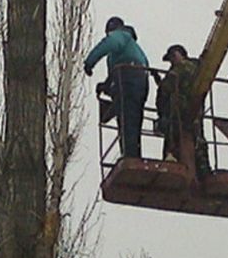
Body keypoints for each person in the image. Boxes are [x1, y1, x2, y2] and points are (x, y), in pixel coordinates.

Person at [84, 16, 149, 157]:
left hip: (129, 78)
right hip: (139, 81)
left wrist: (90, 62)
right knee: (132, 118)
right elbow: (114, 76)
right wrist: (106, 86)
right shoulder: (132, 48)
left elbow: (108, 44)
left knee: (127, 118)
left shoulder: (121, 36)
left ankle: (130, 155)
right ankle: (133, 153)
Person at [155, 44, 211, 177]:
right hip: (192, 112)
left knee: (173, 139)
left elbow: (167, 87)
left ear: (178, 54)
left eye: (172, 57)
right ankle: (203, 169)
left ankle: (172, 161)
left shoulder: (183, 67)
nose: (172, 62)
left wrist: (161, 84)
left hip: (180, 112)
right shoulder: (196, 68)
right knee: (197, 140)